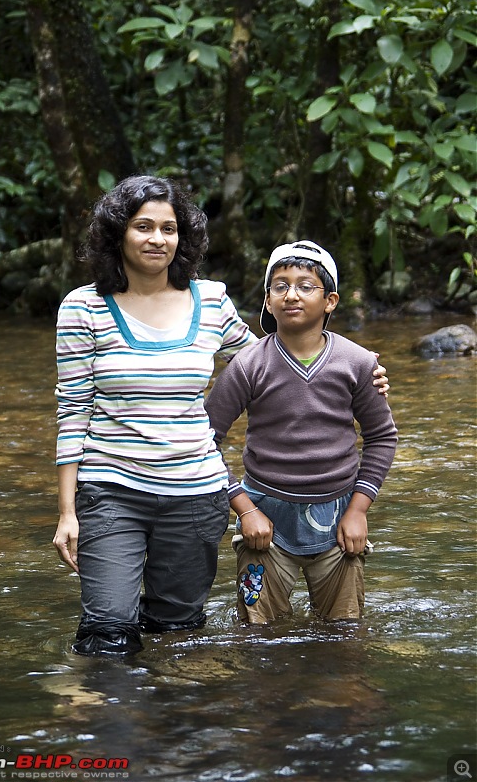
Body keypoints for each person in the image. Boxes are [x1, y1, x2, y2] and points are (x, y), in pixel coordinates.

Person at [53, 177, 390, 656]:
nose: (156, 239)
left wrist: (358, 373)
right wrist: (67, 511)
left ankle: (172, 721)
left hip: (195, 494)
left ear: (182, 237)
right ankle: (108, 725)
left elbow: (272, 361)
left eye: (168, 228)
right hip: (111, 488)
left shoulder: (209, 301)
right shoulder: (82, 307)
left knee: (178, 633)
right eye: (142, 226)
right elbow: (72, 410)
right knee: (107, 633)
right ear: (118, 234)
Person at [204, 241, 397, 624]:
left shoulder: (357, 363)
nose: (291, 294)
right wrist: (244, 509)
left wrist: (358, 510)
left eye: (306, 285)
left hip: (339, 521)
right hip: (264, 522)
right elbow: (204, 438)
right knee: (258, 632)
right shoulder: (248, 365)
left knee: (344, 632)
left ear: (330, 301)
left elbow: (381, 436)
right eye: (280, 286)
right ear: (268, 301)